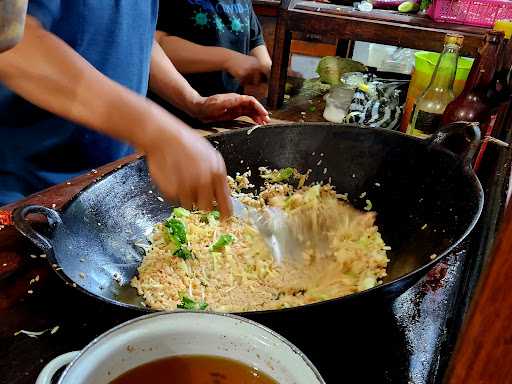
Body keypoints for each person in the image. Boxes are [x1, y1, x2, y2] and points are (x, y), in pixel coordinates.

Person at [0, 1, 270, 215]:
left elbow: (137, 36)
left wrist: (193, 102)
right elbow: (14, 47)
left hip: (106, 183)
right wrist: (153, 128)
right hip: (25, 194)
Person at [155, 0, 272, 99]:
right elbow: (154, 47)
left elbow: (256, 44)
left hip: (231, 112)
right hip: (176, 113)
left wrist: (263, 75)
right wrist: (228, 59)